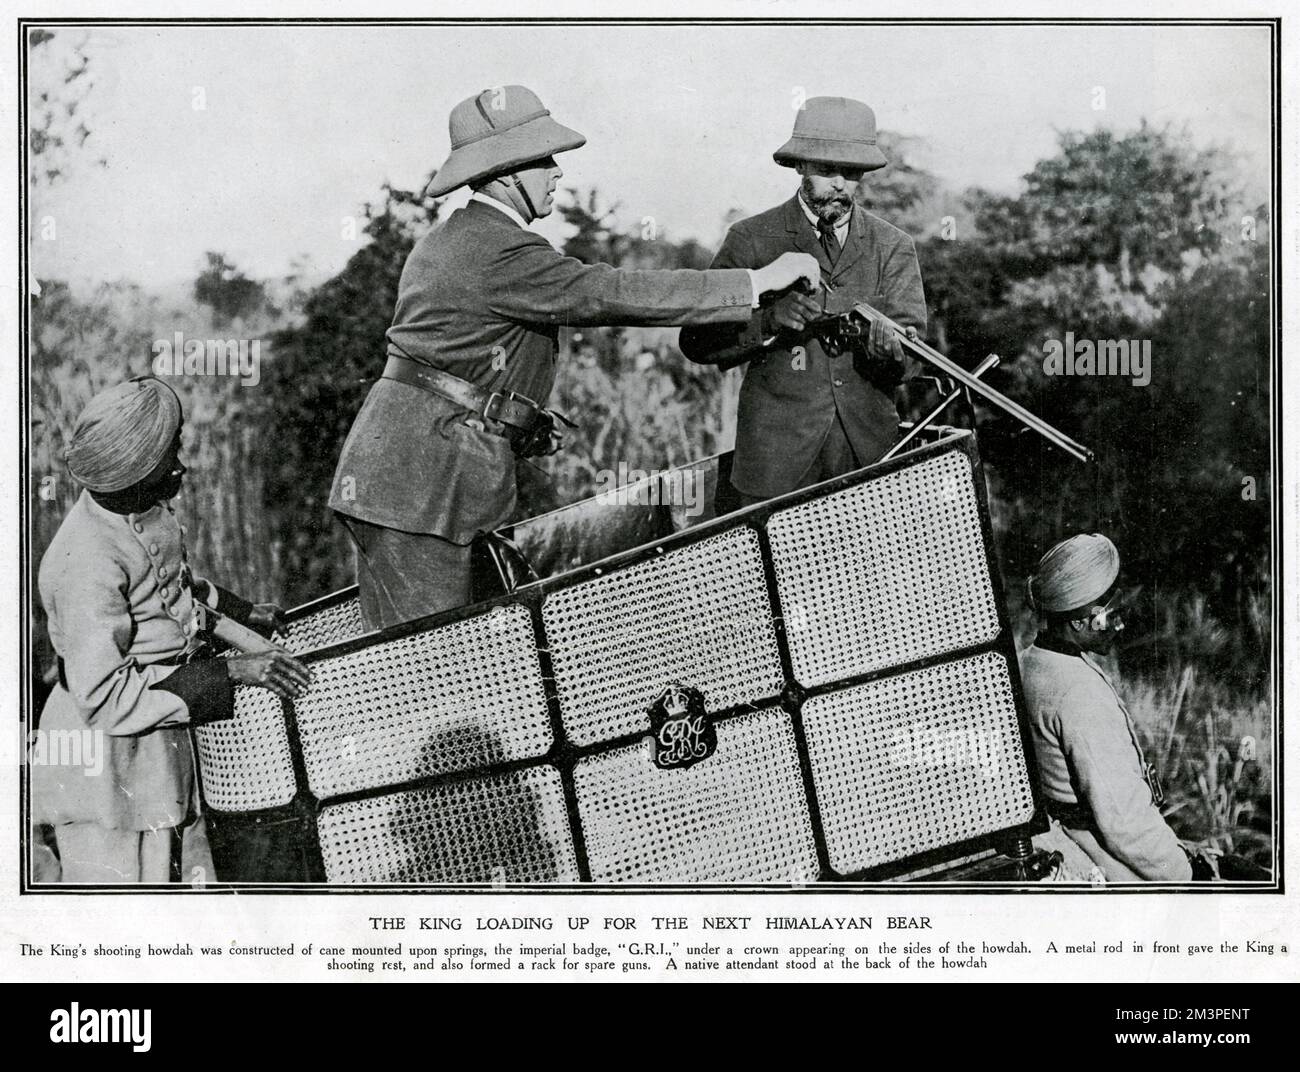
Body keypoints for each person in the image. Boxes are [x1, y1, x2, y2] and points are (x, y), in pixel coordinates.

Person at [328, 84, 820, 631]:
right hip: (423, 489)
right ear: (509, 171)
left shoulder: (455, 239)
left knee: (425, 657)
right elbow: (610, 292)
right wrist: (756, 281)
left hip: (403, 475)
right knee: (431, 666)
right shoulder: (498, 249)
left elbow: (457, 362)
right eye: (545, 161)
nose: (558, 173)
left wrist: (521, 420)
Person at [33, 377, 312, 883]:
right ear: (129, 469)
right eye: (168, 455)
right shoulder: (86, 561)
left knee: (178, 870)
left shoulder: (144, 509)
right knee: (126, 895)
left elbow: (174, 591)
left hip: (159, 738)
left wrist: (242, 613)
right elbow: (105, 698)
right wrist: (232, 673)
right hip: (107, 759)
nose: (180, 465)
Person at [678, 96, 928, 509]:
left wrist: (891, 353)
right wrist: (769, 320)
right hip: (775, 465)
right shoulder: (752, 239)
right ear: (800, 166)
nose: (840, 183)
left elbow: (915, 359)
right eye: (827, 170)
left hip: (870, 459)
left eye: (852, 173)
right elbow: (698, 343)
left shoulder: (892, 246)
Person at [1019, 533, 1200, 883]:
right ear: (1078, 621)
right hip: (1102, 855)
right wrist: (1184, 874)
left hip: (1071, 838)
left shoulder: (1033, 661)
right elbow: (1123, 820)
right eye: (1113, 614)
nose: (1120, 624)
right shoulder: (1078, 692)